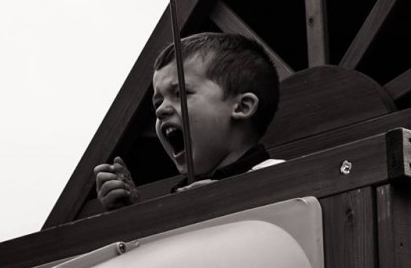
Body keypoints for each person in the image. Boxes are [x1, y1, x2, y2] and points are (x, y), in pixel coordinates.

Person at [94, 32, 282, 210]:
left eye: (181, 94)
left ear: (242, 107)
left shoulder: (282, 177)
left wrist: (223, 199)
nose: (160, 110)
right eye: (157, 103)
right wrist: (133, 213)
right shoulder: (179, 197)